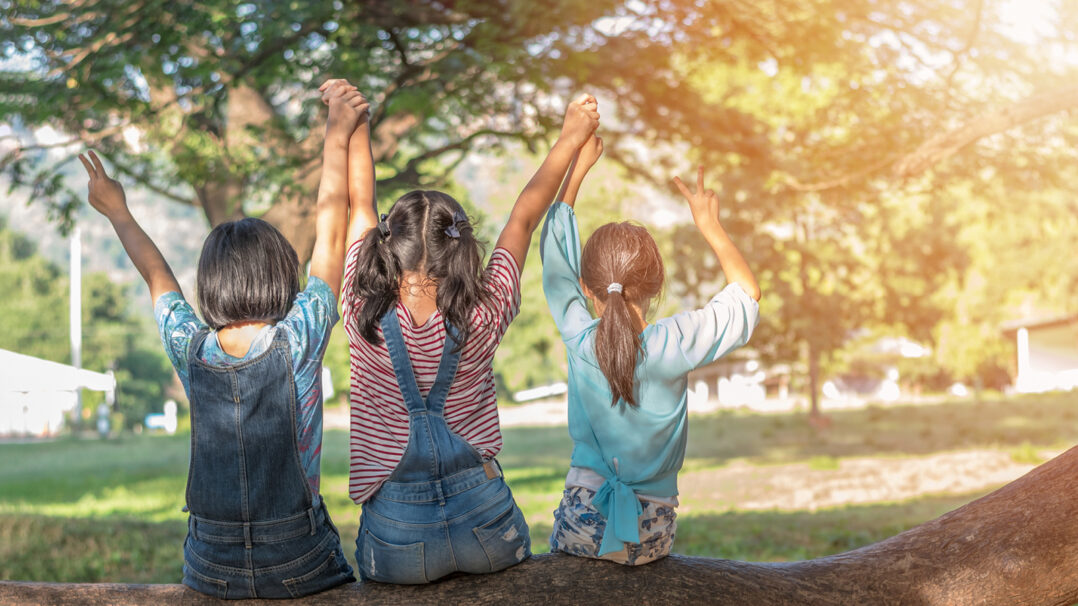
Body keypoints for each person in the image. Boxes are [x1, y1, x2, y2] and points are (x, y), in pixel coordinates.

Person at [77, 80, 370, 598]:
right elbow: (331, 230)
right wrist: (337, 131)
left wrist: (117, 211)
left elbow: (157, 277)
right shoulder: (299, 338)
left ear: (211, 285)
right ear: (282, 277)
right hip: (298, 558)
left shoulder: (192, 351)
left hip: (211, 565)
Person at [341, 85, 600, 583]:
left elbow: (358, 201)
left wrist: (358, 124)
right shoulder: (485, 308)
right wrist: (570, 139)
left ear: (386, 243)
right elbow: (524, 217)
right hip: (487, 527)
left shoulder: (360, 309)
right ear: (459, 246)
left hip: (397, 539)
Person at [540, 136, 761, 565]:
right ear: (656, 287)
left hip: (582, 523)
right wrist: (710, 227)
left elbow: (555, 264)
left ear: (588, 289)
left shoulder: (579, 338)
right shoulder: (676, 342)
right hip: (652, 534)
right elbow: (746, 295)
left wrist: (576, 172)